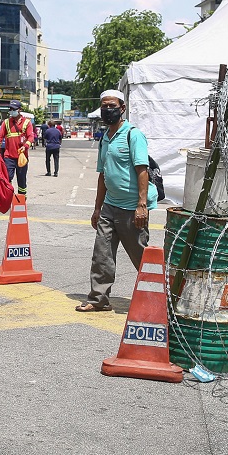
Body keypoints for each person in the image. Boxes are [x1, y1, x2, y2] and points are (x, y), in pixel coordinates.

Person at [76, 90, 158, 312]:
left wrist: (142, 205)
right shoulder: (105, 138)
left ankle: (156, 300)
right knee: (101, 255)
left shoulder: (133, 135)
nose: (107, 110)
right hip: (109, 207)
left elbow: (143, 171)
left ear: (122, 108)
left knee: (140, 257)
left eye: (112, 106)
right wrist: (97, 208)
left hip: (132, 208)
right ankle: (98, 299)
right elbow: (103, 175)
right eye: (104, 106)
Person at [0, 100, 33, 196]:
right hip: (9, 156)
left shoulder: (27, 123)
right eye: (10, 109)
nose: (11, 111)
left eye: (14, 109)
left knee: (21, 179)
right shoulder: (6, 122)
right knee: (7, 177)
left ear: (19, 110)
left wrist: (25, 146)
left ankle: (22, 198)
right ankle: (8, 197)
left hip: (22, 156)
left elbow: (31, 137)